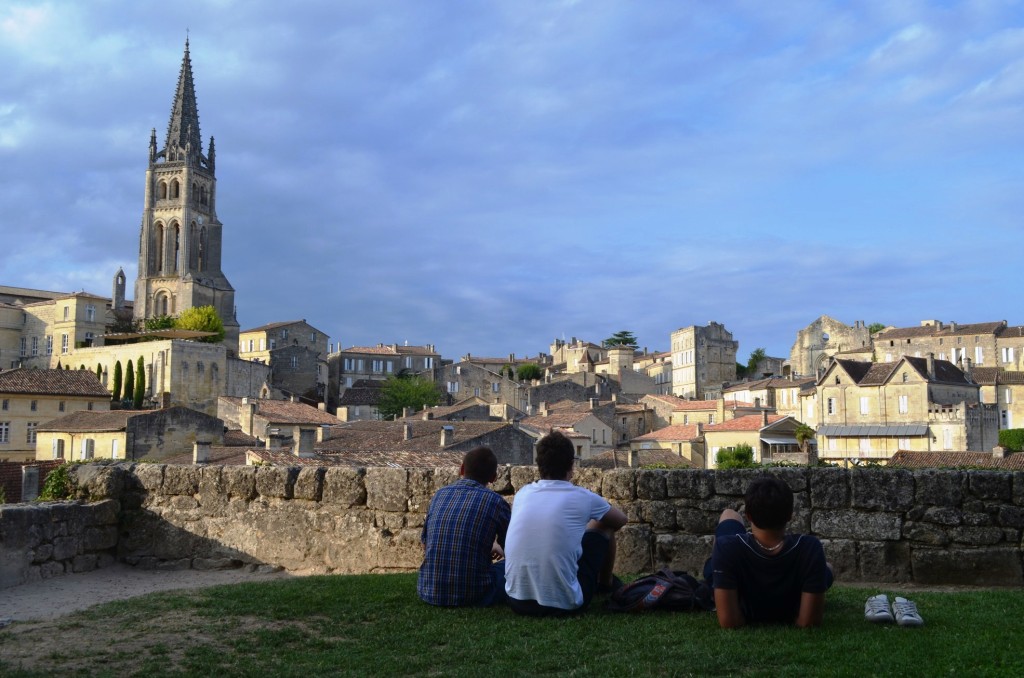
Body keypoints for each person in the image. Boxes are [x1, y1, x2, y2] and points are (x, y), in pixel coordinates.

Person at [504, 430, 627, 616]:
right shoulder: (583, 497)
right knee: (603, 524)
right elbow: (620, 520)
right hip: (564, 605)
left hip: (517, 601)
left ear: (539, 465)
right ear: (571, 465)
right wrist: (586, 530)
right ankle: (606, 583)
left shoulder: (523, 494)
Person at [704, 475, 833, 628]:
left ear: (749, 516)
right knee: (828, 568)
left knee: (729, 514)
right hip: (786, 569)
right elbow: (808, 622)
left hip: (732, 561)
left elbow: (729, 622)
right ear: (790, 515)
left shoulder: (727, 547)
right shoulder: (809, 548)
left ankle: (718, 568)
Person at [418, 446, 511, 607]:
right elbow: (514, 551)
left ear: (462, 469)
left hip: (429, 590)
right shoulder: (496, 502)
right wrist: (500, 548)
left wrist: (489, 545)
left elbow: (425, 544)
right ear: (494, 477)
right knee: (510, 568)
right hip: (476, 594)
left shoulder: (440, 495)